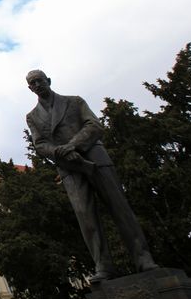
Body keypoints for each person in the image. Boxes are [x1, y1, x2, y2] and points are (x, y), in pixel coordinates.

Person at [25, 69, 158, 282]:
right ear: (30, 88)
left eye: (40, 80)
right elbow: (40, 144)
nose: (37, 85)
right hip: (69, 167)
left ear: (48, 80)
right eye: (33, 83)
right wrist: (59, 152)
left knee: (119, 208)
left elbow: (94, 125)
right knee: (85, 217)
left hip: (94, 158)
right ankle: (103, 267)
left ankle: (143, 258)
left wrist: (72, 145)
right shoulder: (33, 117)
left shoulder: (74, 101)